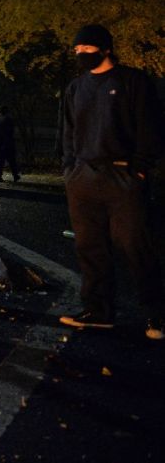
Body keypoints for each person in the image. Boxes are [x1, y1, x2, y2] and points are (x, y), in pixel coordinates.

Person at [58, 24, 164, 340]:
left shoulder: (133, 82)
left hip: (123, 175)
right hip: (82, 176)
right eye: (77, 51)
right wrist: (69, 169)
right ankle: (98, 311)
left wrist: (140, 171)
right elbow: (68, 132)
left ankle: (155, 314)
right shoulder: (75, 88)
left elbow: (150, 127)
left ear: (105, 49)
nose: (81, 55)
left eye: (87, 50)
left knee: (135, 245)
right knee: (89, 246)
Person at [0, 105, 20, 182]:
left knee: (0, 161)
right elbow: (11, 131)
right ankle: (15, 175)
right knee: (12, 160)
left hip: (0, 143)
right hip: (9, 142)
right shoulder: (9, 119)